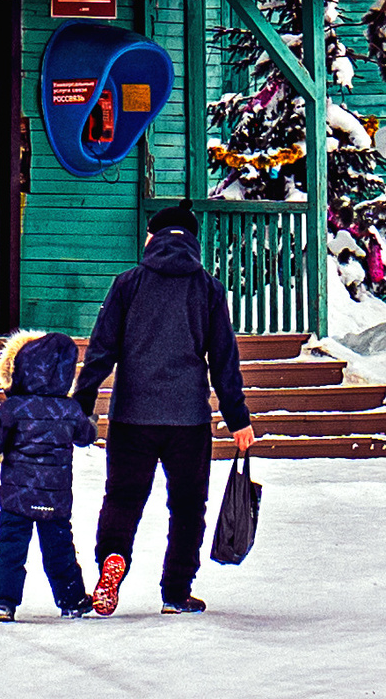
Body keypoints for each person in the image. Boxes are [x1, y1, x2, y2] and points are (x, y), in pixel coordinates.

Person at [74, 203, 256, 616]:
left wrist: (83, 401)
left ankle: (113, 558)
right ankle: (176, 592)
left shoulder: (128, 283)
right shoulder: (208, 289)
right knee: (188, 507)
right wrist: (238, 418)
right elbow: (224, 359)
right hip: (188, 421)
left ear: (153, 238)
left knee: (122, 499)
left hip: (131, 417)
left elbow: (101, 349)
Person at [0, 330, 97, 622]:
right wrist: (89, 422)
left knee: (10, 549)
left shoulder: (14, 408)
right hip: (55, 498)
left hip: (17, 498)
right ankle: (72, 600)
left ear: (22, 368)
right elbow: (86, 436)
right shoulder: (69, 410)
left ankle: (4, 603)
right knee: (60, 550)